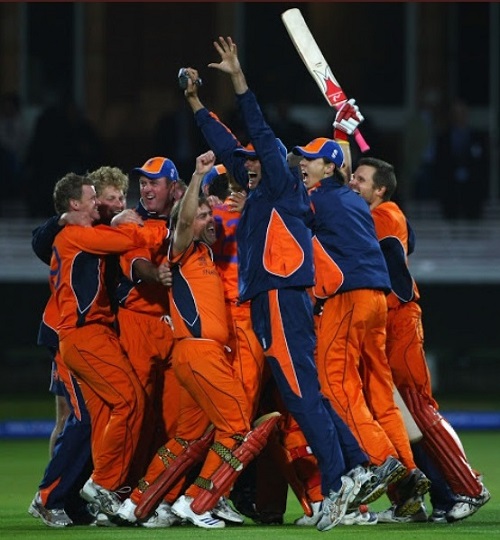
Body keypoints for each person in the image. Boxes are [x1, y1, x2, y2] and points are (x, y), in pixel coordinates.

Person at [181, 37, 372, 532]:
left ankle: (338, 485)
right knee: (303, 392)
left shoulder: (282, 186)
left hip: (280, 296)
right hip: (274, 298)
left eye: (255, 158)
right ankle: (359, 468)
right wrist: (196, 101)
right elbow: (229, 145)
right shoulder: (264, 186)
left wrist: (239, 79)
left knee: (301, 394)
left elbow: (259, 130)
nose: (245, 162)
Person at [116, 150, 278, 529]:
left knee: (189, 435)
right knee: (238, 425)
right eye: (204, 216)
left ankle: (137, 503)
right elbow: (186, 217)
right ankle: (198, 501)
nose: (209, 220)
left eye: (210, 215)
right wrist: (198, 177)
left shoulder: (203, 255)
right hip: (200, 352)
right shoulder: (183, 248)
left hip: (197, 355)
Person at [292, 134, 430, 516]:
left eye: (311, 159)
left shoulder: (316, 199)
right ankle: (408, 477)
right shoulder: (355, 201)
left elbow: (284, 211)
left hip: (347, 296)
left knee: (335, 385)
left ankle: (385, 460)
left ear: (329, 167)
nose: (303, 163)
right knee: (380, 394)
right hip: (376, 300)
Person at [348, 156, 491, 523]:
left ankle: (470, 487)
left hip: (399, 321)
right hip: (382, 323)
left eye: (360, 180)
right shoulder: (391, 216)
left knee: (418, 407)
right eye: (352, 177)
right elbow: (406, 242)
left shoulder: (384, 215)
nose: (352, 183)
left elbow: (348, 228)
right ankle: (419, 500)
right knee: (399, 418)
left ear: (380, 190)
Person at [48, 172, 168, 518]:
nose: (99, 203)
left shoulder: (77, 234)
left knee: (107, 412)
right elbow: (123, 243)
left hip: (87, 335)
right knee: (129, 400)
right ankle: (97, 484)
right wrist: (144, 227)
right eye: (92, 198)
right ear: (75, 205)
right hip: (84, 334)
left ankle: (94, 489)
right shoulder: (77, 235)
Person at [29, 166, 131, 528]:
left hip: (81, 334)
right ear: (87, 202)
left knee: (87, 419)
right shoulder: (76, 232)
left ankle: (68, 498)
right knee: (80, 418)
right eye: (109, 198)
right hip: (69, 334)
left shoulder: (91, 232)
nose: (117, 204)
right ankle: (50, 496)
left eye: (122, 197)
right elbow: (39, 240)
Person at [434, 98, 487, 221]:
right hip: (450, 192)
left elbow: (483, 164)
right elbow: (440, 165)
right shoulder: (443, 138)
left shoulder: (477, 137)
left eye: (462, 113)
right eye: (456, 114)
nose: (459, 117)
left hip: (473, 192)